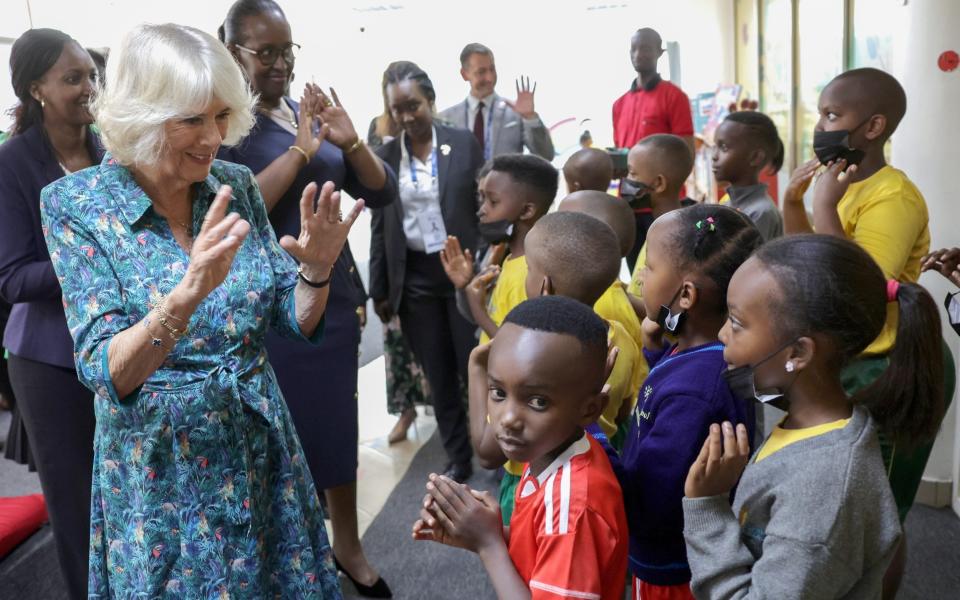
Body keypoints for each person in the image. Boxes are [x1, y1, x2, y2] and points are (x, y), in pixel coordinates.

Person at [41, 23, 361, 597]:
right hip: (164, 473)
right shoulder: (76, 204)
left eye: (220, 117)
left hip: (260, 450)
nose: (213, 138)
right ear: (141, 114)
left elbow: (292, 317)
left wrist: (316, 270)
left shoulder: (233, 184)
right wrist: (186, 294)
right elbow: (106, 371)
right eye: (191, 119)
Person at [215, 1, 397, 596]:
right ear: (233, 51)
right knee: (273, 436)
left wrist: (349, 141)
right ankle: (287, 553)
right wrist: (298, 148)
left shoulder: (304, 110)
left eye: (287, 50)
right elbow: (236, 212)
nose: (280, 63)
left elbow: (381, 194)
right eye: (265, 52)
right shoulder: (222, 124)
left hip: (330, 288)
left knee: (335, 424)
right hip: (263, 302)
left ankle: (346, 543)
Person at [683, 234, 946, 598]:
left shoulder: (826, 490)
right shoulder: (806, 421)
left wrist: (708, 507)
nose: (721, 333)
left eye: (737, 323)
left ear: (799, 352)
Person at [781, 68, 951, 597]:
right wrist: (794, 205)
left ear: (873, 126)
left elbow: (862, 287)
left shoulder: (892, 195)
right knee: (840, 502)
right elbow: (809, 267)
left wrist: (825, 208)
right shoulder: (840, 185)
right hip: (850, 359)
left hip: (893, 364)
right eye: (821, 114)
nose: (821, 127)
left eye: (833, 116)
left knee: (881, 516)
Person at [413, 295, 629, 600]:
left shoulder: (574, 508)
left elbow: (562, 533)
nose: (509, 419)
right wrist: (481, 531)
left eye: (538, 401)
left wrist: (489, 545)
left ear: (590, 410)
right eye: (498, 392)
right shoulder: (548, 450)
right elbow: (543, 544)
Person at [614, 204, 761, 599]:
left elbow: (655, 499)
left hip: (672, 567)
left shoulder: (695, 392)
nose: (641, 275)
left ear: (686, 295)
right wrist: (653, 352)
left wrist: (589, 435)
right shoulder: (703, 351)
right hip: (678, 552)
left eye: (650, 266)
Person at [0, 28, 101, 599]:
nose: (89, 87)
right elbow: (12, 279)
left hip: (116, 347)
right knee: (79, 508)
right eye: (73, 78)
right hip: (49, 362)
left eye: (90, 74)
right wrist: (94, 254)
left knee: (126, 497)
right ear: (36, 89)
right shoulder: (12, 163)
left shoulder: (106, 148)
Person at [370, 61, 483, 484]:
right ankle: (459, 457)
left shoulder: (462, 143)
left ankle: (489, 444)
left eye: (413, 106)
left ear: (430, 101)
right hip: (414, 278)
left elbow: (481, 205)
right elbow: (381, 226)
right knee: (437, 372)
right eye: (397, 109)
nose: (406, 116)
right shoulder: (384, 156)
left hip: (460, 271)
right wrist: (378, 289)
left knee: (472, 363)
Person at [365, 66, 428, 446]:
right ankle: (405, 411)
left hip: (435, 258)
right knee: (398, 342)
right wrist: (377, 286)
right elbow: (377, 217)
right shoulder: (378, 133)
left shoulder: (440, 133)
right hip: (395, 257)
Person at [440, 153, 558, 345]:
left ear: (527, 210)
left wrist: (479, 312)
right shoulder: (509, 261)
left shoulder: (531, 273)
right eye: (482, 199)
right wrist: (467, 286)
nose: (482, 210)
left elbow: (522, 349)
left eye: (493, 202)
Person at [613, 27, 695, 272]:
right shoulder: (619, 104)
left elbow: (686, 153)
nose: (639, 54)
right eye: (634, 48)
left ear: (660, 52)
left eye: (646, 48)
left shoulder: (674, 97)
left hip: (663, 205)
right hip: (630, 205)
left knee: (668, 272)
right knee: (638, 271)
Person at [439, 43, 554, 161]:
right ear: (465, 74)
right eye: (481, 72)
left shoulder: (516, 113)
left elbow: (546, 155)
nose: (490, 78)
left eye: (492, 69)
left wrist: (530, 117)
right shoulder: (446, 119)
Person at [623, 134, 696, 304]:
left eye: (633, 174)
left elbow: (664, 310)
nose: (627, 180)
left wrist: (617, 294)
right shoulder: (658, 227)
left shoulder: (673, 238)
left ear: (658, 184)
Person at [714, 111, 784, 241]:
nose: (714, 156)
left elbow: (746, 260)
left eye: (723, 148)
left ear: (755, 157)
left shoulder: (760, 213)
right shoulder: (727, 202)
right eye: (715, 146)